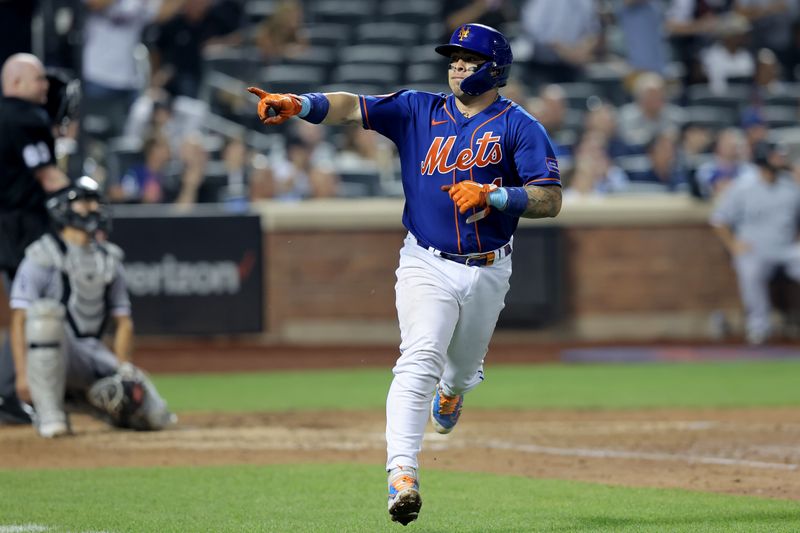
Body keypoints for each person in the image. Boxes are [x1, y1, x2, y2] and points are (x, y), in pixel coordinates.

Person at [247, 23, 562, 525]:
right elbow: (353, 106)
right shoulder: (419, 108)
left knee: (458, 371)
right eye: (454, 58)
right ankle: (402, 475)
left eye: (469, 59)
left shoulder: (519, 126)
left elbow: (550, 199)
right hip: (425, 261)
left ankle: (453, 391)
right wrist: (299, 103)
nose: (458, 66)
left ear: (496, 69)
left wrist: (496, 195)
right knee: (419, 357)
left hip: (488, 269)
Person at [4, 176, 176, 437]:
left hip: (92, 353)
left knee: (155, 414)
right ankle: (51, 413)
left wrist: (124, 366)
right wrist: (21, 376)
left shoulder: (109, 259)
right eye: (84, 202)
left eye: (95, 202)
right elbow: (19, 319)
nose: (93, 208)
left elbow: (123, 321)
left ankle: (91, 403)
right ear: (63, 208)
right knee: (45, 316)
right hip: (56, 350)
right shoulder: (42, 255)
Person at [0, 53, 70, 424]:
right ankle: (10, 391)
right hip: (23, 228)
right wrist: (85, 198)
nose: (44, 86)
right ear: (14, 83)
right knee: (32, 307)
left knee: (24, 306)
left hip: (7, 225)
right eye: (37, 79)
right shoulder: (26, 117)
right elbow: (47, 177)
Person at [710, 141, 800, 345]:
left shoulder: (791, 186)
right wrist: (733, 245)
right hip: (754, 248)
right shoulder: (743, 186)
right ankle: (758, 327)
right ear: (763, 158)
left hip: (785, 248)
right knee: (750, 270)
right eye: (776, 156)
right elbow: (719, 220)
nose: (780, 160)